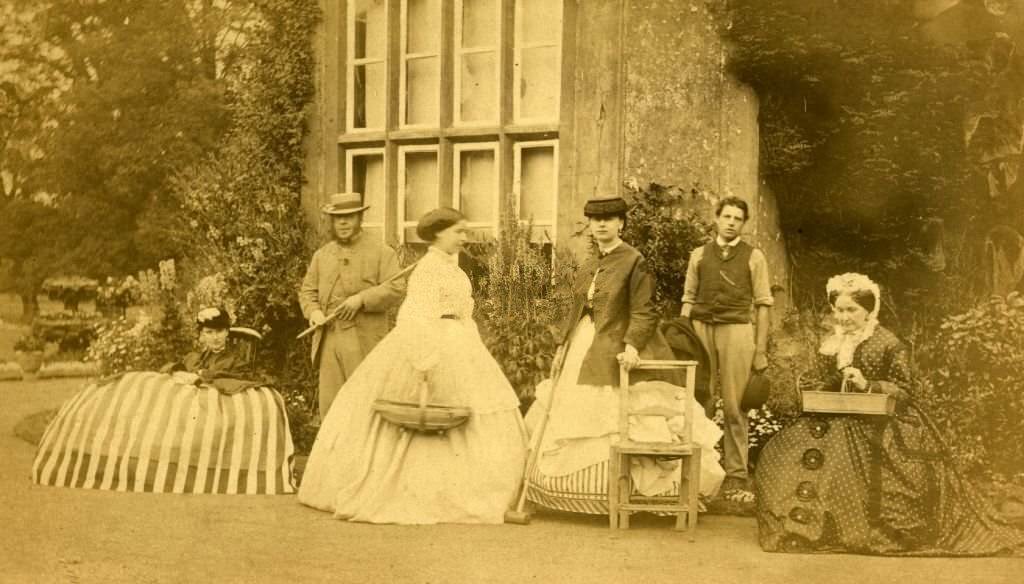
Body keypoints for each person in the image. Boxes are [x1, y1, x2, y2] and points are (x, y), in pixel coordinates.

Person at [755, 273, 1024, 555]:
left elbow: (906, 390)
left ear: (869, 311)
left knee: (851, 470)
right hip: (837, 413)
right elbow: (827, 381)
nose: (844, 317)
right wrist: (821, 387)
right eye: (839, 310)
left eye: (851, 310)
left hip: (880, 420)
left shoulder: (887, 343)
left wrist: (867, 384)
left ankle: (843, 529)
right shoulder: (834, 342)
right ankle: (804, 526)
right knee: (783, 454)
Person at [297, 208, 527, 524]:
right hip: (429, 346)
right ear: (439, 234)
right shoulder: (428, 269)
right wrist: (425, 362)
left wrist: (470, 348)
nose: (464, 237)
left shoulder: (456, 270)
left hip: (460, 345)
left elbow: (462, 313)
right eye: (458, 231)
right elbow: (413, 319)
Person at [524, 195, 725, 515]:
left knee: (615, 414)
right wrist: (563, 343)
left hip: (618, 345)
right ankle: (571, 495)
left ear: (621, 223)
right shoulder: (590, 263)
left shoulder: (634, 260)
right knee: (573, 410)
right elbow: (578, 308)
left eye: (609, 219)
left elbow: (644, 311)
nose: (601, 224)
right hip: (585, 343)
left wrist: (632, 346)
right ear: (590, 225)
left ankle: (621, 496)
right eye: (595, 220)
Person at [32, 307, 296, 495]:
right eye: (209, 333)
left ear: (227, 333)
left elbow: (224, 375)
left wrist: (198, 377)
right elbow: (181, 366)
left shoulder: (233, 358)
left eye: (220, 332)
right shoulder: (198, 355)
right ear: (201, 335)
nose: (215, 338)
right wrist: (179, 372)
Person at [680, 196, 774, 503]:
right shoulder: (698, 255)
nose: (732, 222)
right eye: (727, 216)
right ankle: (698, 473)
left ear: (743, 224)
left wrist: (760, 350)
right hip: (701, 328)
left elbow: (762, 306)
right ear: (717, 218)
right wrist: (683, 337)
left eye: (738, 218)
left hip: (737, 330)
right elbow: (688, 299)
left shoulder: (754, 257)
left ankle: (736, 475)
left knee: (735, 405)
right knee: (700, 399)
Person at [299, 192, 405, 419]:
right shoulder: (322, 256)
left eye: (349, 217)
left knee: (365, 405)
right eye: (338, 218)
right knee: (331, 408)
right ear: (332, 222)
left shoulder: (381, 252)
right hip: (330, 339)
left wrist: (361, 300)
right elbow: (307, 292)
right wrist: (314, 311)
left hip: (364, 339)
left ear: (360, 218)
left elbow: (396, 287)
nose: (344, 222)